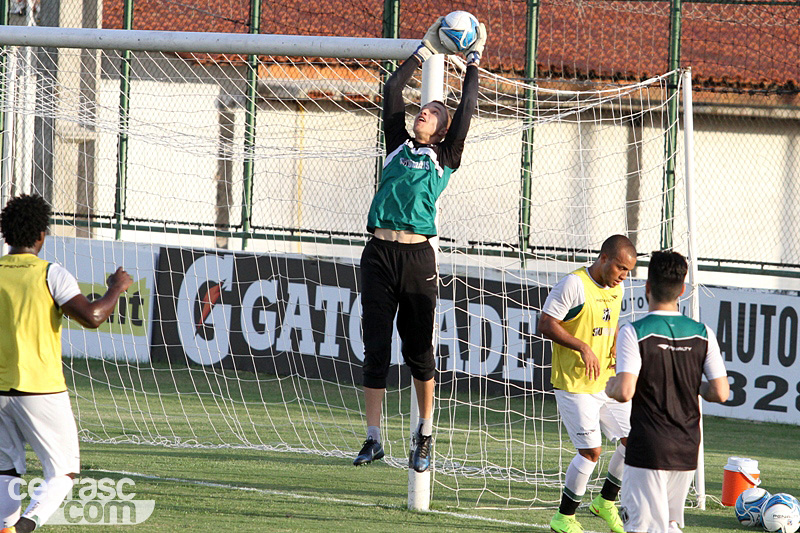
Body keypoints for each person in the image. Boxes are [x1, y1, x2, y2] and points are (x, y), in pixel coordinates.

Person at [352, 18, 486, 473]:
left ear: (444, 128)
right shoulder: (396, 143)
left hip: (416, 257)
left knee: (418, 353)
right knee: (374, 349)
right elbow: (392, 89)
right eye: (422, 108)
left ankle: (425, 434)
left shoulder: (445, 154)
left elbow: (466, 107)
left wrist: (472, 63)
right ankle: (373, 438)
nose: (423, 111)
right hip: (378, 255)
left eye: (432, 111)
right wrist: (425, 51)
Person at [0, 194, 132, 533]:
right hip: (40, 388)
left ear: (5, 234)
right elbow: (93, 317)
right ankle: (23, 528)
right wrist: (116, 289)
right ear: (41, 235)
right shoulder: (49, 274)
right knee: (64, 471)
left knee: (6, 471)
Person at [605, 251, 729, 533]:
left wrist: (609, 385)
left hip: (649, 448)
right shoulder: (703, 332)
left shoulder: (634, 331)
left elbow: (625, 391)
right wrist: (689, 383)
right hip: (687, 449)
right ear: (682, 290)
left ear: (647, 287)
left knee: (643, 527)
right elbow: (721, 392)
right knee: (669, 525)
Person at [539, 234, 637, 533]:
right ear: (604, 258)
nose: (623, 275)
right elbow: (545, 323)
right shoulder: (574, 284)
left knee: (634, 442)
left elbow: (613, 325)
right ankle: (564, 517)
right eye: (620, 267)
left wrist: (620, 356)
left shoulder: (616, 289)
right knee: (591, 451)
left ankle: (605, 503)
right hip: (574, 384)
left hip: (605, 382)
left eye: (628, 271)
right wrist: (582, 347)